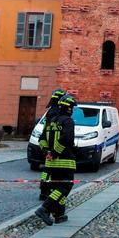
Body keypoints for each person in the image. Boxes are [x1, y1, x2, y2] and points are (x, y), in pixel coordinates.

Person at [34, 94, 77, 226]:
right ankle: (44, 209)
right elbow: (67, 139)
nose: (72, 110)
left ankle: (59, 214)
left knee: (57, 187)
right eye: (72, 107)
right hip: (65, 161)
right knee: (65, 187)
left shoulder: (51, 121)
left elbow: (41, 139)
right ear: (68, 108)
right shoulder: (68, 121)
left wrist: (47, 152)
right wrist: (54, 152)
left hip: (51, 163)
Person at [39, 88, 66, 201]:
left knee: (47, 170)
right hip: (54, 144)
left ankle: (44, 191)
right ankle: (48, 191)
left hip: (47, 141)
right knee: (53, 171)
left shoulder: (50, 110)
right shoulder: (57, 112)